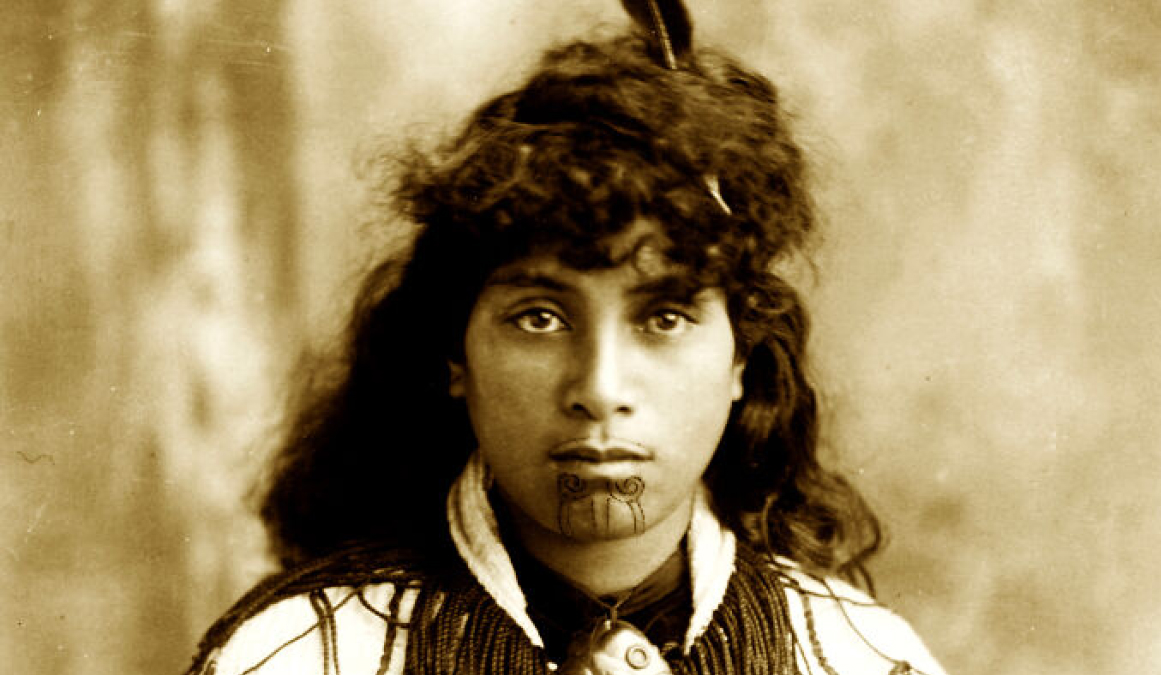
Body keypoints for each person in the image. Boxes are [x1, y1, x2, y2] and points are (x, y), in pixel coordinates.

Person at [184, 3, 947, 674]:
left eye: (664, 318)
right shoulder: (297, 657)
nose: (601, 389)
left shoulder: (863, 658)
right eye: (540, 318)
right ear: (455, 353)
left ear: (740, 359)